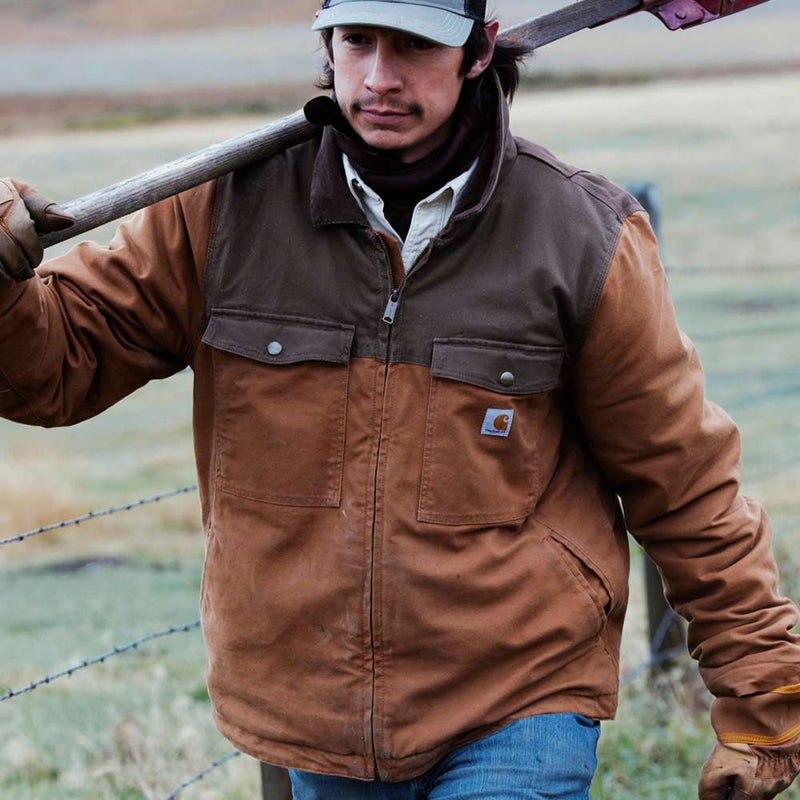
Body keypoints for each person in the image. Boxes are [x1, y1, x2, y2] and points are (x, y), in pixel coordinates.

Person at [1, 1, 798, 797]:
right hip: (311, 703)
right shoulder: (220, 211)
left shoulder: (579, 235)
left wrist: (761, 690)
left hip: (519, 690)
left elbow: (682, 477)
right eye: (358, 42)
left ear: (480, 51)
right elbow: (60, 365)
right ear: (327, 43)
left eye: (415, 45)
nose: (380, 78)